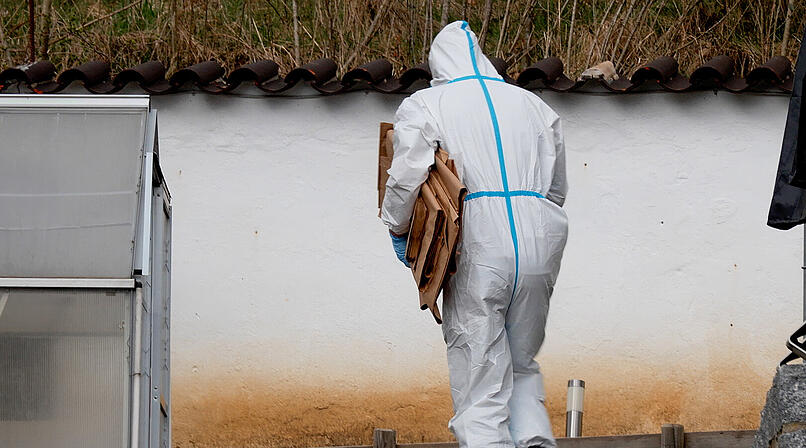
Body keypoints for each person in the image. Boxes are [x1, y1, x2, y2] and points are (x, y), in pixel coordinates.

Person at [380, 20, 569, 448]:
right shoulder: (534, 105)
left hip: (477, 244)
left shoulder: (427, 102)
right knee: (522, 366)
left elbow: (407, 173)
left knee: (480, 381)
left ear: (439, 65)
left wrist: (398, 226)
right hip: (540, 239)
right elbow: (557, 189)